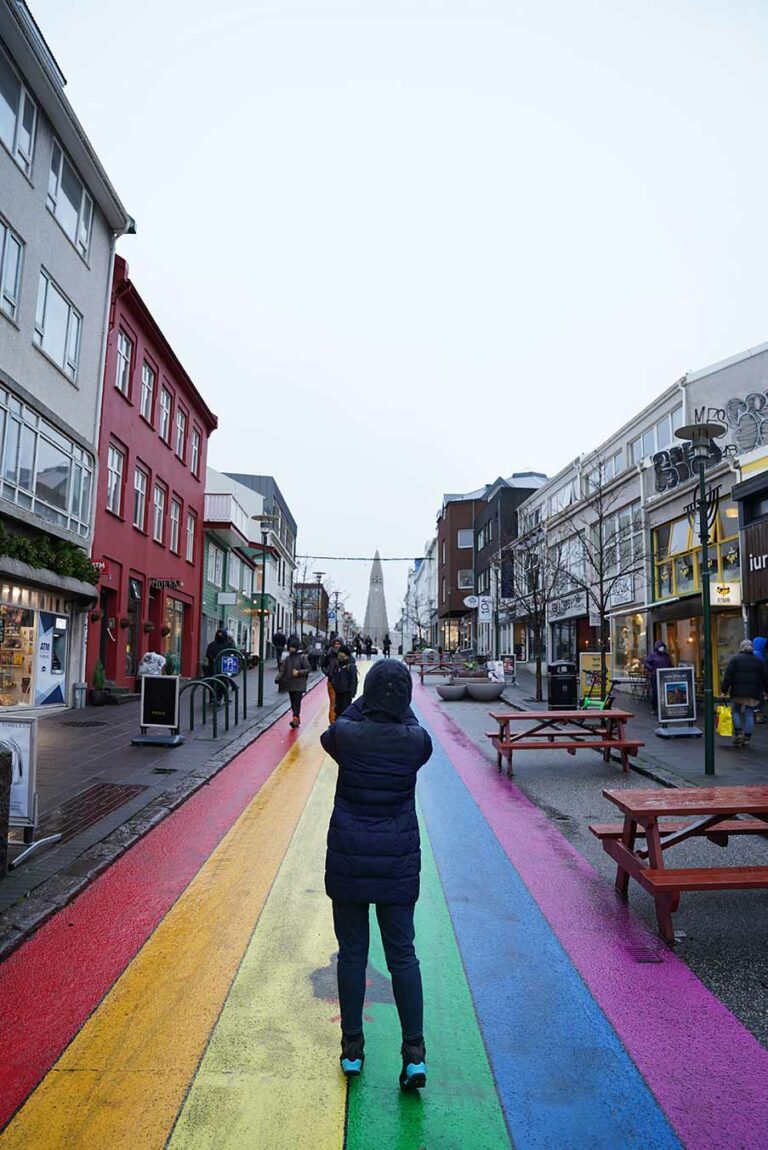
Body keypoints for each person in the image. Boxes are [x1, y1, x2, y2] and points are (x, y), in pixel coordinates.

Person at [321, 660, 433, 1090]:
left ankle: (352, 1050)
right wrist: (397, 706)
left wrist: (363, 701)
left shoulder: (347, 737)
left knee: (352, 954)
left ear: (368, 693)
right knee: (403, 955)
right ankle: (414, 1055)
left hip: (349, 860)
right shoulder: (414, 742)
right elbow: (412, 725)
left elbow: (337, 725)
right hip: (397, 863)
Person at [721, 639, 768, 749]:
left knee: (736, 711)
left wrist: (724, 690)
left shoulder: (735, 660)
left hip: (738, 692)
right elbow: (765, 677)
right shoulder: (758, 661)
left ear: (741, 648)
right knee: (749, 714)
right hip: (753, 693)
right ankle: (747, 738)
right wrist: (766, 691)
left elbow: (728, 676)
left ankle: (739, 734)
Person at [276, 635, 311, 728]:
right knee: (293, 702)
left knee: (297, 701)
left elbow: (308, 669)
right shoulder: (287, 659)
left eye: (293, 647)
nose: (291, 649)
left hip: (299, 684)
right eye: (290, 647)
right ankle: (296, 718)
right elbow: (282, 670)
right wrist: (278, 678)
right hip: (290, 683)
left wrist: (299, 672)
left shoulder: (302, 657)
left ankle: (295, 718)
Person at [329, 644, 358, 718]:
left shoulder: (351, 666)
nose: (340, 654)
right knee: (337, 711)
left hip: (346, 694)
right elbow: (335, 676)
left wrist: (352, 693)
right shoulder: (338, 665)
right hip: (338, 692)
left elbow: (354, 680)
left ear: (347, 655)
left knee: (344, 712)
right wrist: (333, 683)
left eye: (342, 653)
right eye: (340, 652)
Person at [644, 639, 672, 711]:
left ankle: (663, 707)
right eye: (660, 647)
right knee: (656, 692)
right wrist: (652, 669)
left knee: (665, 692)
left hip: (665, 676)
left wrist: (671, 671)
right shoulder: (653, 655)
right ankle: (654, 707)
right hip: (655, 676)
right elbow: (646, 663)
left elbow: (669, 664)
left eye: (663, 647)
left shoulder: (666, 656)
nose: (662, 648)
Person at [322, 637, 343, 723]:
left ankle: (339, 720)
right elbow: (323, 665)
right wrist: (328, 673)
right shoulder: (329, 654)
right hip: (331, 680)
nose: (337, 646)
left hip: (342, 682)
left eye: (338, 644)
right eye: (335, 644)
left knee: (341, 703)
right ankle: (333, 722)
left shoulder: (344, 655)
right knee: (333, 702)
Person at [752, 636, 768, 723]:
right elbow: (764, 673)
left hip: (750, 683)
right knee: (759, 700)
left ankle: (755, 715)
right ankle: (758, 716)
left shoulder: (750, 654)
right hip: (758, 683)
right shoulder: (760, 656)